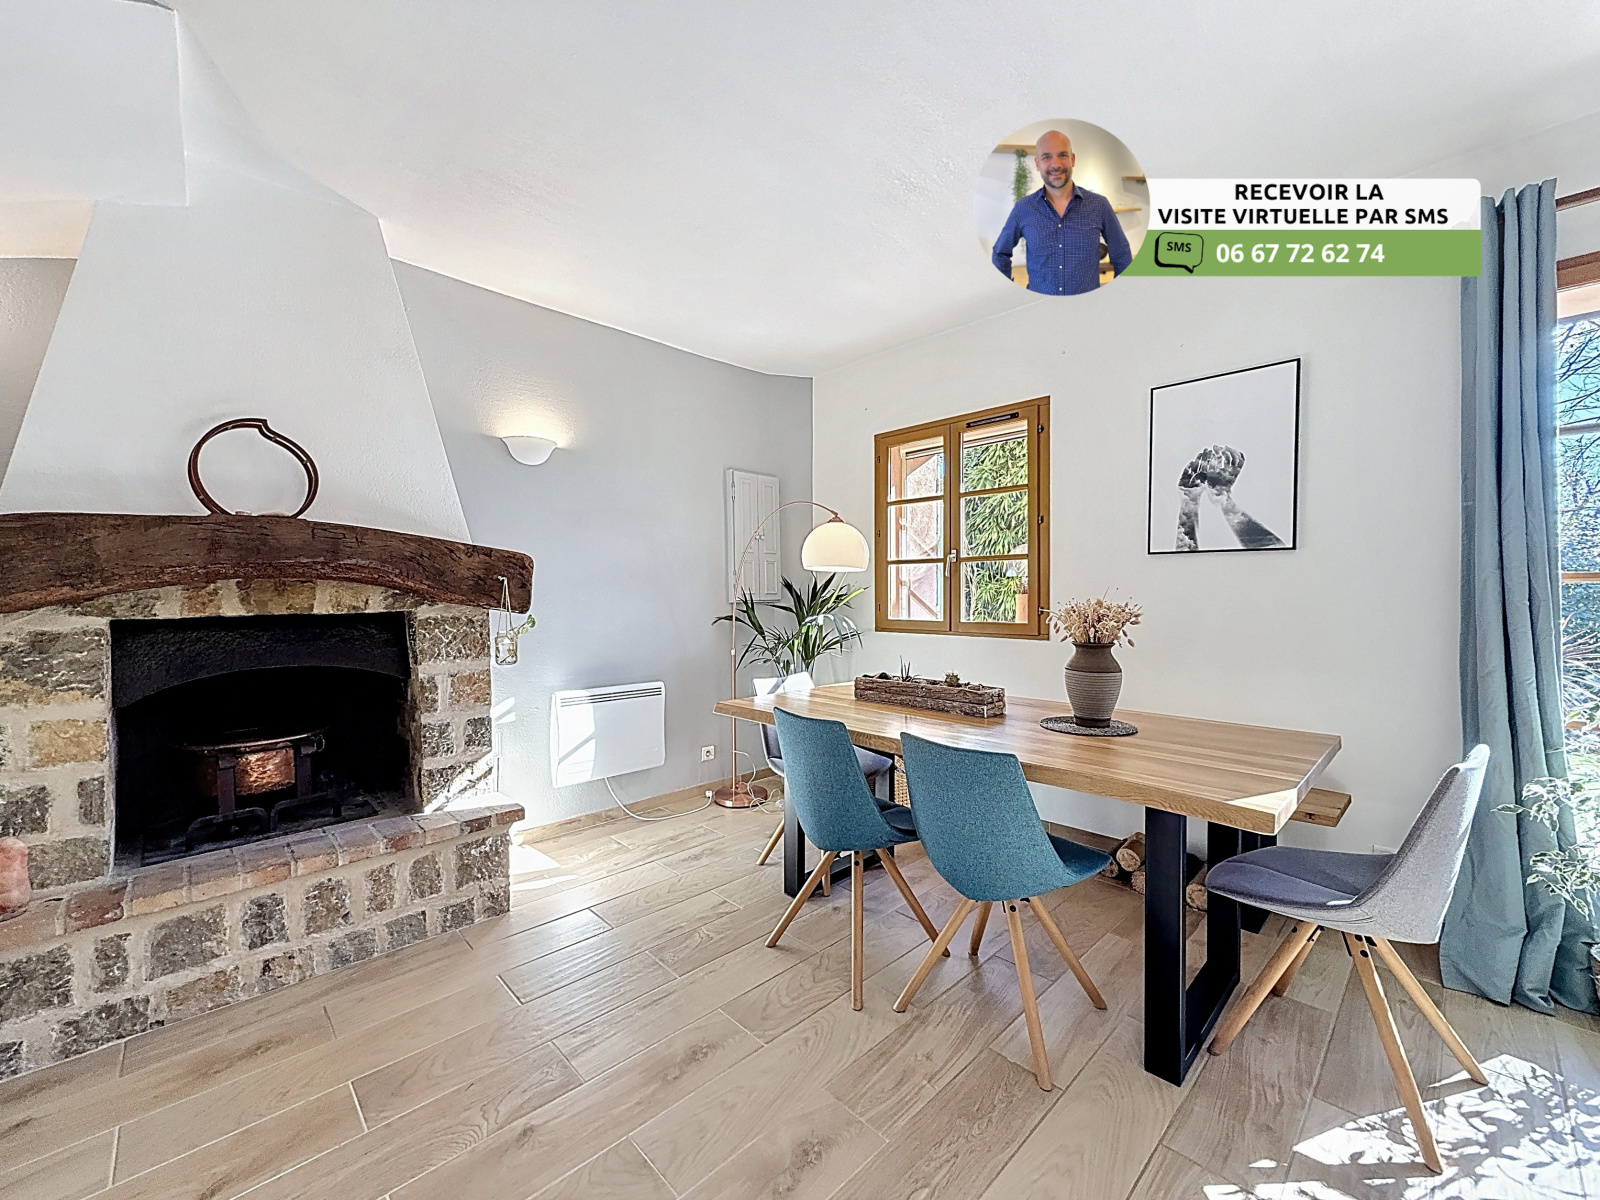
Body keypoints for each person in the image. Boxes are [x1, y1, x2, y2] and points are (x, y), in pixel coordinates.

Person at [992, 130, 1132, 295]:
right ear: (1037, 163)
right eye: (1046, 157)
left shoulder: (1099, 205)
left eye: (1063, 155)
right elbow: (1000, 254)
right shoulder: (1023, 209)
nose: (1055, 164)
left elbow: (1122, 255)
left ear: (1073, 159)